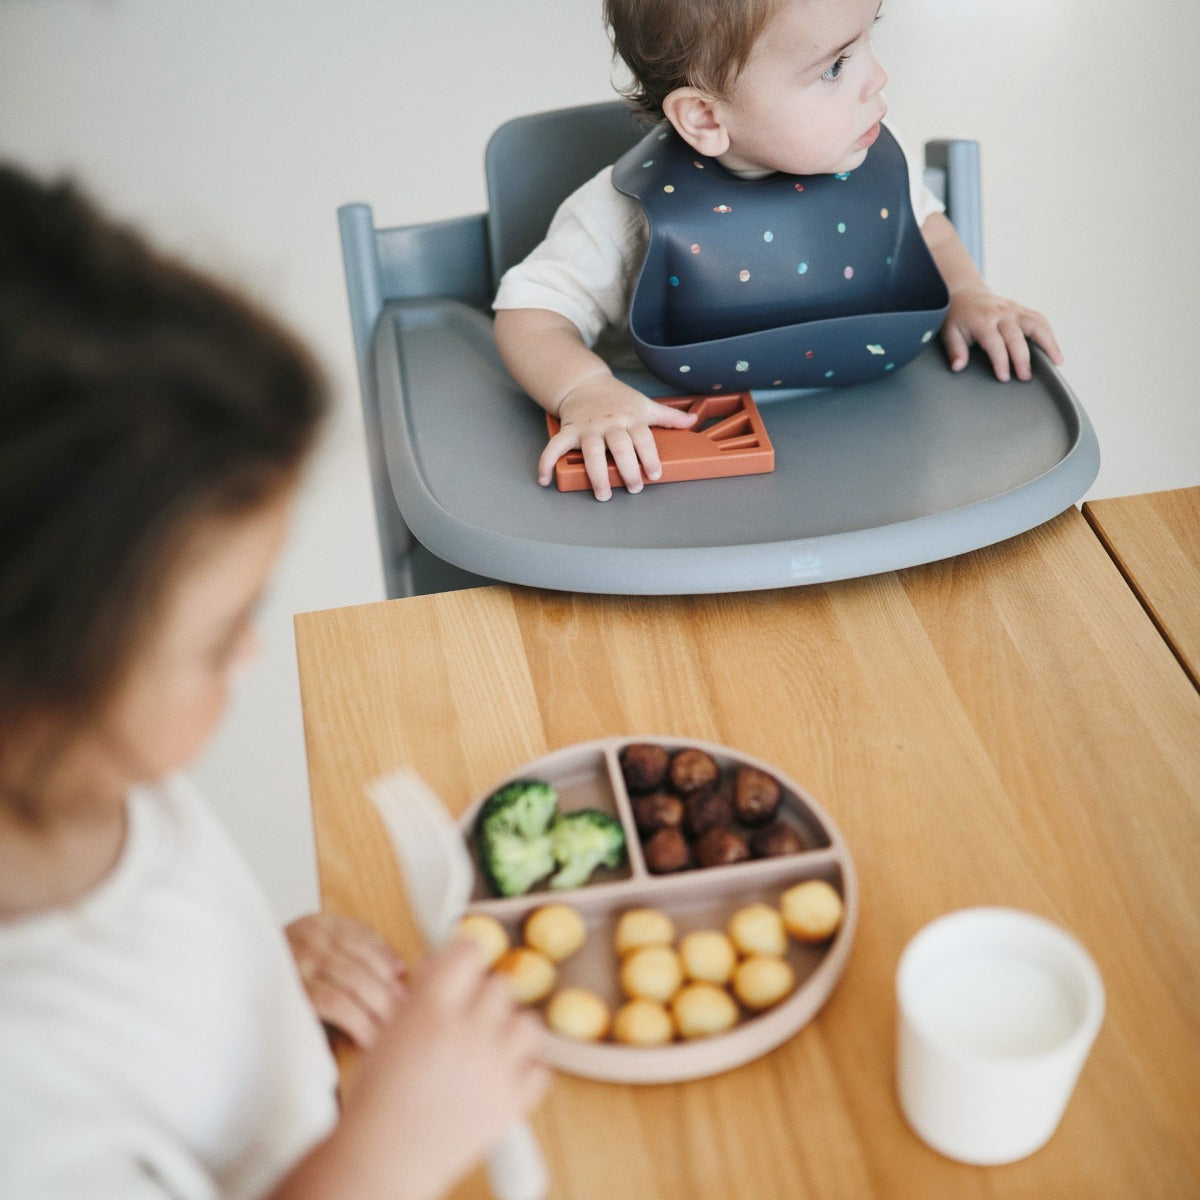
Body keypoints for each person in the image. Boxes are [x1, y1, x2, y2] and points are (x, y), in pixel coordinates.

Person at [0, 164, 547, 1200]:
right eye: (217, 641)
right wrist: (389, 1149)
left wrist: (263, 984)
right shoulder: (25, 1113)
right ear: (30, 696)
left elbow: (154, 998)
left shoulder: (94, 780)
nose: (250, 656)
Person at [493, 0, 1065, 500]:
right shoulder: (625, 210)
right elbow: (531, 310)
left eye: (870, 36)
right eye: (835, 66)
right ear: (706, 117)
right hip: (696, 472)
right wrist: (585, 390)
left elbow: (929, 231)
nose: (878, 77)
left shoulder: (870, 161)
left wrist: (968, 293)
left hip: (862, 446)